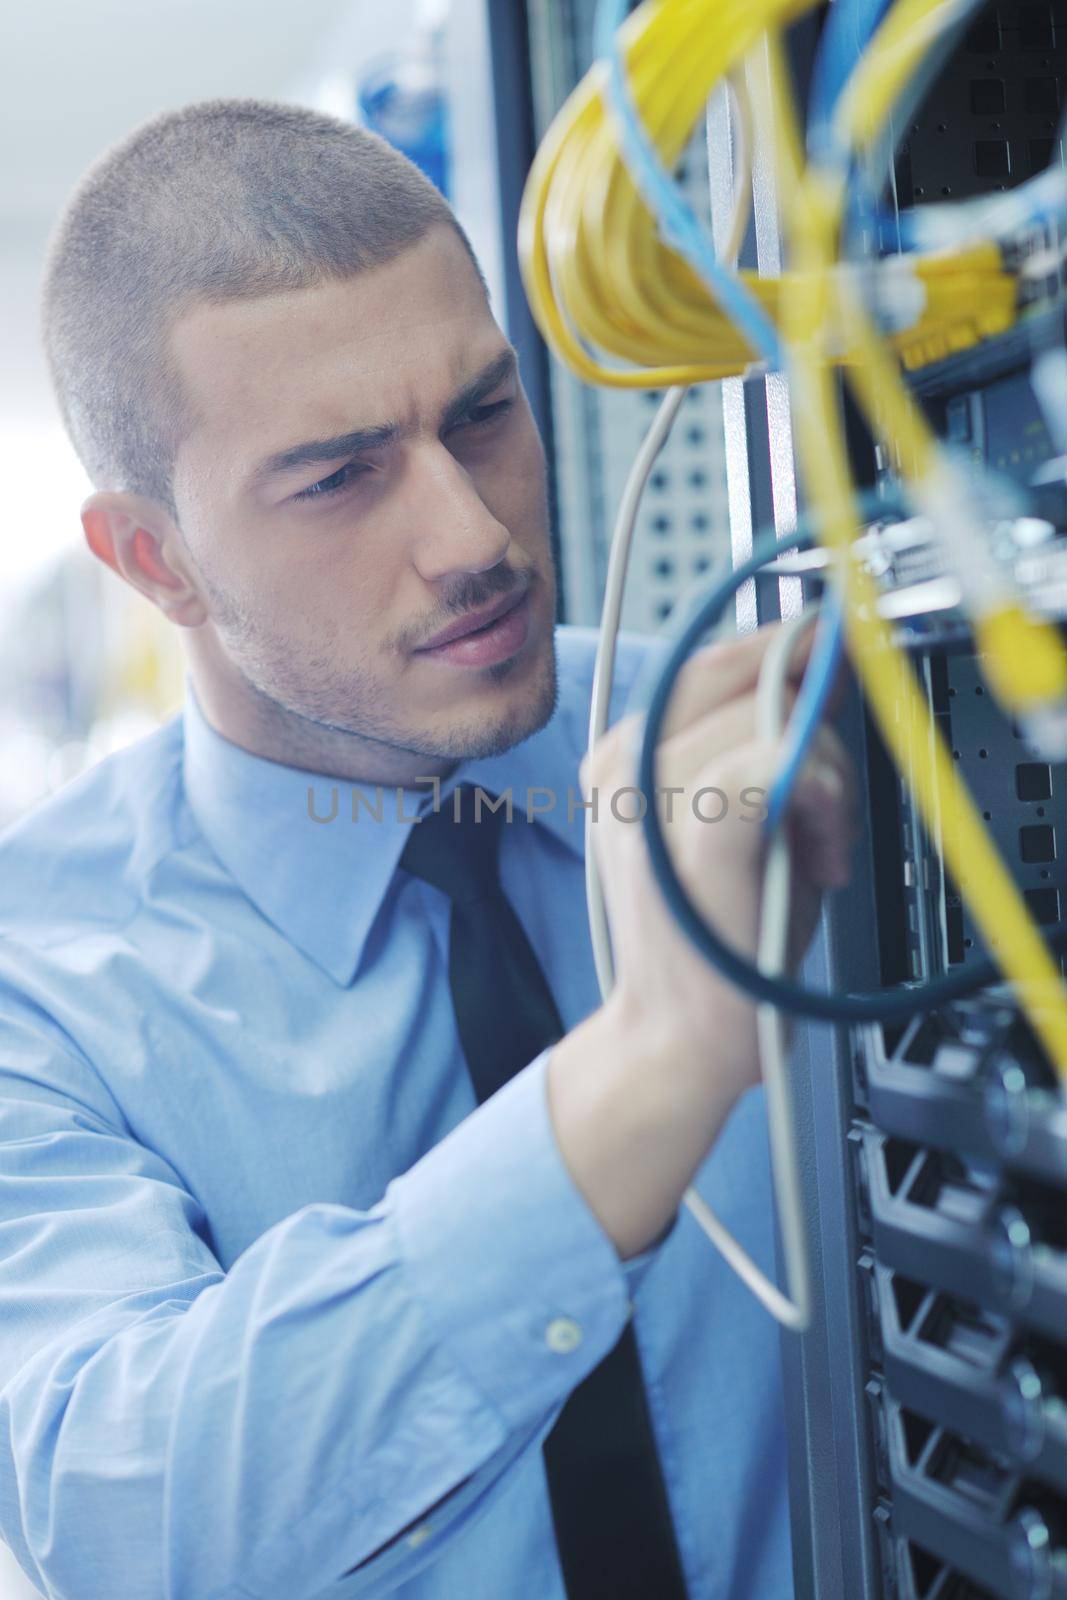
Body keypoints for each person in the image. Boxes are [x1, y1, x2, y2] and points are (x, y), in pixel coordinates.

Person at [0, 100, 855, 1599]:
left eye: (481, 413)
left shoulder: (766, 744)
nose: (473, 537)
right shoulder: (38, 976)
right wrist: (643, 1075)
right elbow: (125, 1513)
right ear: (154, 559)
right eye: (339, 476)